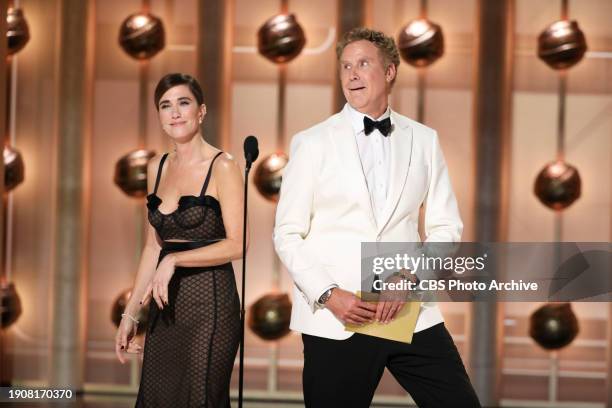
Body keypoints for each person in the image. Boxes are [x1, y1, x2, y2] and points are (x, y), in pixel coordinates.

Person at [273, 28, 481, 407]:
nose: (352, 74)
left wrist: (412, 276)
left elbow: (446, 226)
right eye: (346, 66)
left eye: (363, 64)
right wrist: (328, 294)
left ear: (390, 72)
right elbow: (287, 234)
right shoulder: (312, 142)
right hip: (338, 317)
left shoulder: (424, 139)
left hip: (408, 312)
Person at [114, 73, 245, 407]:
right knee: (157, 398)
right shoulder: (156, 167)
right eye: (165, 105)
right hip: (164, 307)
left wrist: (175, 260)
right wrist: (130, 313)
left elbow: (237, 244)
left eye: (183, 103)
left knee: (200, 399)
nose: (174, 112)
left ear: (201, 111)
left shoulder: (223, 166)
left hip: (211, 307)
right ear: (159, 116)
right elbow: (152, 246)